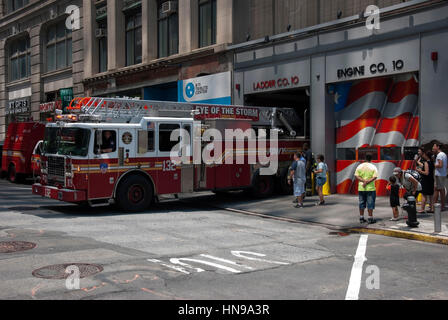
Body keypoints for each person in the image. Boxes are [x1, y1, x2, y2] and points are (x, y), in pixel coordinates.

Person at [354, 154, 378, 224]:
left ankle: (361, 217)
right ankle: (370, 218)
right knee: (370, 203)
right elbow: (375, 177)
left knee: (361, 203)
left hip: (361, 188)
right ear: (371, 159)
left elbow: (356, 176)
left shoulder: (360, 166)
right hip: (370, 188)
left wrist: (363, 181)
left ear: (365, 158)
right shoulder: (373, 166)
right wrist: (367, 182)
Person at [433, 142, 447, 211]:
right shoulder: (444, 154)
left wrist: (434, 165)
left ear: (438, 147)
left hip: (439, 175)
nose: (433, 148)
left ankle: (437, 206)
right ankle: (440, 206)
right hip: (442, 174)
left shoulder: (439, 155)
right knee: (440, 190)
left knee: (438, 190)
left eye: (434, 146)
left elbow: (440, 165)